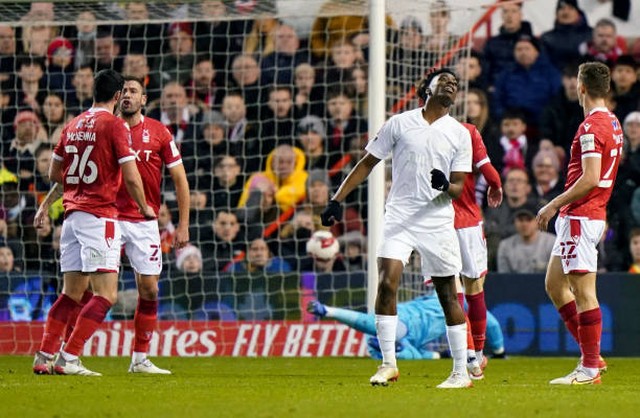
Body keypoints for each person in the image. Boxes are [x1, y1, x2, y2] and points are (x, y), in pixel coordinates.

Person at [321, 69, 473, 388]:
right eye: (444, 80)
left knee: (448, 295)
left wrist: (446, 185)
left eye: (455, 84)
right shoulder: (399, 123)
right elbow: (367, 162)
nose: (451, 85)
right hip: (400, 217)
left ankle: (461, 371)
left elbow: (460, 187)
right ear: (425, 88)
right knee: (387, 284)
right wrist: (337, 199)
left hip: (436, 221)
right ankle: (389, 363)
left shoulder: (459, 133)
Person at [32, 69, 154, 376]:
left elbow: (54, 174)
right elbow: (130, 173)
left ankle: (44, 354)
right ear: (116, 97)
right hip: (99, 216)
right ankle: (68, 357)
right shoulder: (114, 125)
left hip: (71, 219)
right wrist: (144, 207)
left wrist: (48, 204)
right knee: (106, 295)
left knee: (70, 293)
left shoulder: (72, 124)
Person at [537, 61, 623, 385]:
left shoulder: (591, 128)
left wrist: (552, 204)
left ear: (581, 87)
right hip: (589, 214)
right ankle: (593, 357)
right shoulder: (613, 123)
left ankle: (588, 369)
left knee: (584, 292)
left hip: (580, 215)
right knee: (555, 285)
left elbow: (590, 178)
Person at [116, 76, 190, 374]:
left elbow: (180, 179)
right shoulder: (107, 127)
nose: (128, 96)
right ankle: (68, 351)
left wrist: (183, 225)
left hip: (145, 220)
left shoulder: (160, 132)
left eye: (134, 91)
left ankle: (140, 359)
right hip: (107, 215)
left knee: (149, 290)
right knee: (92, 290)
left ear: (144, 99)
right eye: (123, 91)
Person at [306, 295, 505, 360]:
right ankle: (329, 312)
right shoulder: (466, 304)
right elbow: (492, 325)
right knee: (410, 350)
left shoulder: (434, 294)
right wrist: (499, 351)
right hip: (409, 325)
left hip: (400, 316)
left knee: (420, 355)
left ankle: (330, 311)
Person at [453, 123, 503, 379]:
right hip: (467, 220)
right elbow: (489, 173)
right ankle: (478, 353)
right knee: (474, 288)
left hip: (434, 222)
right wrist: (496, 187)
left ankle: (470, 355)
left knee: (451, 291)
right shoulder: (467, 131)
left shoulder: (414, 129)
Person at [497, 203, 556, 273]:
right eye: (521, 220)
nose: (524, 224)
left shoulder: (552, 242)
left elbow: (556, 274)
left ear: (538, 221)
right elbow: (503, 278)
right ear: (515, 222)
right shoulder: (505, 246)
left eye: (529, 220)